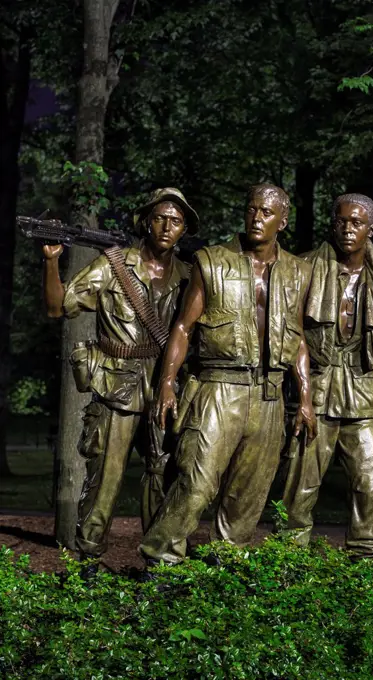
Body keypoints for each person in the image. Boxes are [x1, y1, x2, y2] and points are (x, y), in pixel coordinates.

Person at [139, 183, 317, 568]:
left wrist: (305, 398)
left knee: (248, 494)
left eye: (266, 213)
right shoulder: (212, 260)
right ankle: (160, 563)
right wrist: (167, 383)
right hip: (218, 387)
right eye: (251, 209)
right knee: (195, 483)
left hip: (269, 395)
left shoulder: (299, 272)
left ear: (282, 222)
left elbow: (298, 337)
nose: (256, 217)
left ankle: (224, 571)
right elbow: (183, 329)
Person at [43, 188, 199, 571]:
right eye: (160, 218)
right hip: (117, 388)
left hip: (165, 386)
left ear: (183, 230)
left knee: (163, 474)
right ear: (146, 221)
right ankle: (88, 563)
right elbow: (57, 306)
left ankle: (160, 562)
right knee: (105, 480)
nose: (166, 227)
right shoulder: (111, 265)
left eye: (176, 221)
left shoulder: (190, 275)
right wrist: (51, 262)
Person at [283, 193, 373, 557]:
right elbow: (293, 336)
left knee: (369, 484)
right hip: (317, 389)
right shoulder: (304, 268)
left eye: (357, 222)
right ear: (332, 223)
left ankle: (366, 564)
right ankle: (286, 562)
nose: (348, 229)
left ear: (371, 228)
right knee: (301, 486)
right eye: (342, 221)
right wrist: (302, 396)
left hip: (365, 391)